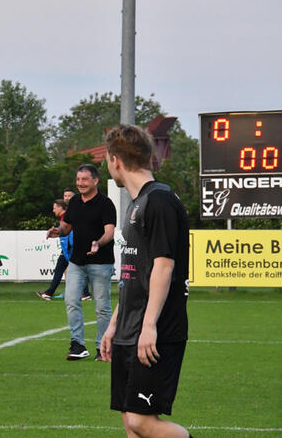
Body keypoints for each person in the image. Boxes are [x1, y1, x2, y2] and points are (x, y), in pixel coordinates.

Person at [100, 125, 191, 437]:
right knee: (131, 423)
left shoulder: (159, 201)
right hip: (130, 328)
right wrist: (114, 324)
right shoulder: (137, 203)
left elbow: (164, 267)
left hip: (156, 329)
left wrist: (149, 325)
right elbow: (134, 275)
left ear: (115, 161)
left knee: (142, 421)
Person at [48, 164, 116, 361]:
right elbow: (66, 227)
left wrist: (98, 243)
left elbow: (109, 232)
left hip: (101, 262)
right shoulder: (75, 202)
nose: (80, 183)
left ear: (95, 181)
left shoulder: (106, 203)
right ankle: (78, 345)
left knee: (102, 307)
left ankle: (102, 348)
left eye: (85, 179)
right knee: (71, 301)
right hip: (77, 262)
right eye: (78, 180)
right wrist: (57, 231)